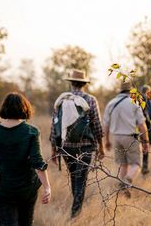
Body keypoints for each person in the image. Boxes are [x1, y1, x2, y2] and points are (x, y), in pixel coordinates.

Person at [0, 92, 51, 225]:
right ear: (24, 108)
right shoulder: (31, 131)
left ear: (4, 108)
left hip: (2, 189)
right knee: (26, 222)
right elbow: (37, 162)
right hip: (26, 189)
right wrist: (47, 187)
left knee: (6, 222)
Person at [49, 69, 104, 218]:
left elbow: (54, 126)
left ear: (71, 83)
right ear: (84, 84)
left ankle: (75, 210)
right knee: (81, 178)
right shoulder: (90, 99)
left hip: (66, 148)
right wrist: (101, 147)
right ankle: (75, 214)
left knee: (74, 176)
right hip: (85, 147)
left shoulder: (61, 100)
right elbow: (97, 125)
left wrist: (54, 150)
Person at [103, 81, 149, 197]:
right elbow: (142, 125)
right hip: (130, 137)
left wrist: (107, 141)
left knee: (123, 165)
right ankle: (127, 182)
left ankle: (123, 191)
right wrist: (146, 142)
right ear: (131, 91)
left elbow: (106, 125)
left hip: (116, 138)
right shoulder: (134, 103)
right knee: (136, 164)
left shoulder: (111, 103)